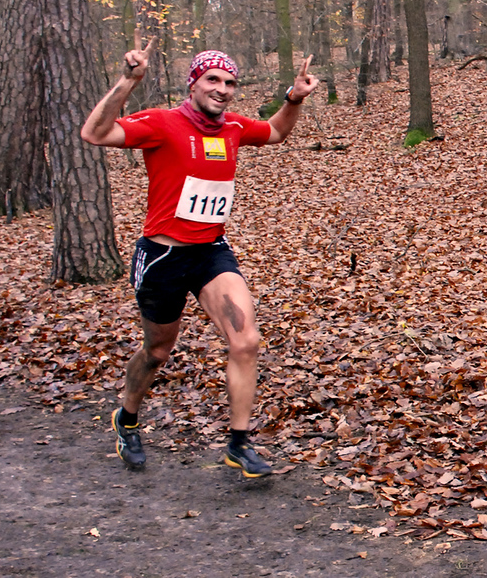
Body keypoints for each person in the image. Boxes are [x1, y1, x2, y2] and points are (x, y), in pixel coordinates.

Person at [81, 36, 318, 478]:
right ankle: (127, 417)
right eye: (213, 79)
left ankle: (238, 444)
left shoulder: (232, 128)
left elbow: (277, 131)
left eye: (230, 82)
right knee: (157, 350)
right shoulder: (161, 123)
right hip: (163, 257)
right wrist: (127, 82)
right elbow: (94, 134)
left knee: (245, 341)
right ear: (193, 84)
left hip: (211, 253)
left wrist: (293, 98)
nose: (223, 89)